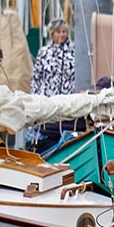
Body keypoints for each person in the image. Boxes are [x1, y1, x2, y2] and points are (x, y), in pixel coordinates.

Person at [28, 18, 78, 153]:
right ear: (52, 34)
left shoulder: (74, 51)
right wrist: (35, 97)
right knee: (46, 129)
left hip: (67, 101)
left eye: (64, 32)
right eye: (58, 32)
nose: (62, 35)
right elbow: (36, 77)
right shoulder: (44, 52)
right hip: (48, 99)